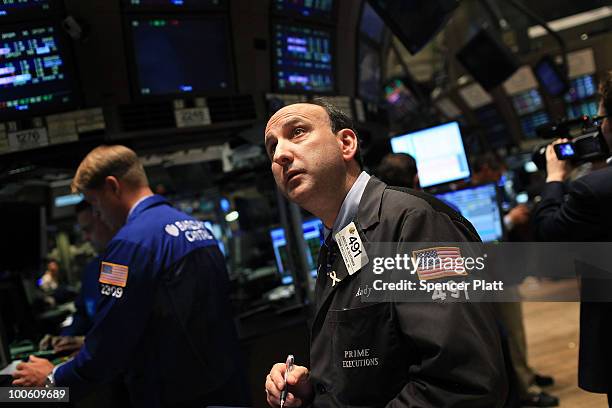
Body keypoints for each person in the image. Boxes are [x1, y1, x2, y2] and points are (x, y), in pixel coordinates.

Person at [263, 100, 508, 407]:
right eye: (272, 146)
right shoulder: (337, 239)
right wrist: (313, 392)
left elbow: (464, 384)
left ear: (346, 143)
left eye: (297, 132)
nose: (280, 154)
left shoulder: (416, 224)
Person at [13, 145, 249, 407]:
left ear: (113, 187)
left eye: (94, 202)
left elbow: (108, 344)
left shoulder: (126, 245)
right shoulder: (194, 227)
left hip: (176, 397)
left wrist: (52, 381)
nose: (97, 213)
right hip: (227, 389)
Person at [534, 71, 612, 405]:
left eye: (601, 118)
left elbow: (550, 237)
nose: (599, 128)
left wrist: (554, 179)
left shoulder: (593, 189)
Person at [471, 153, 558, 407]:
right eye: (497, 171)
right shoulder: (467, 194)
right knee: (511, 333)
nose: (500, 177)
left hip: (501, 271)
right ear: (485, 167)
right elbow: (475, 236)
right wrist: (509, 220)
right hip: (489, 275)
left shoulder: (491, 190)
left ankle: (526, 374)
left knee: (515, 332)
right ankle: (525, 388)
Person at [39, 200, 115, 355]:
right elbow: (82, 315)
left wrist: (87, 341)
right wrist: (63, 339)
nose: (86, 237)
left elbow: (121, 324)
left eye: (88, 229)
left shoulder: (124, 262)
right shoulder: (92, 270)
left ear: (105, 218)